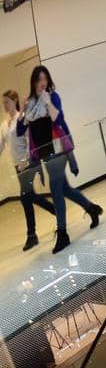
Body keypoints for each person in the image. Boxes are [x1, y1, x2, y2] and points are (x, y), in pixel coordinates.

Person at [17, 65, 103, 255]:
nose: (42, 83)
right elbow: (20, 131)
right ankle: (92, 209)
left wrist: (48, 102)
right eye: (38, 79)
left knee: (56, 192)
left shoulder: (52, 97)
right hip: (44, 153)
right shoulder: (29, 103)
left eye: (44, 79)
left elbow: (58, 120)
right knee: (65, 189)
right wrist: (23, 111)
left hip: (58, 150)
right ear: (33, 82)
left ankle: (63, 234)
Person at [2, 88, 55, 251]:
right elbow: (1, 144)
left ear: (15, 101)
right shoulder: (4, 124)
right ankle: (55, 209)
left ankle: (31, 235)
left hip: (28, 162)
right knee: (29, 195)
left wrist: (26, 159)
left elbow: (29, 140)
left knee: (25, 197)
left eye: (7, 102)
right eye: (3, 102)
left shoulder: (21, 118)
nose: (4, 105)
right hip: (17, 165)